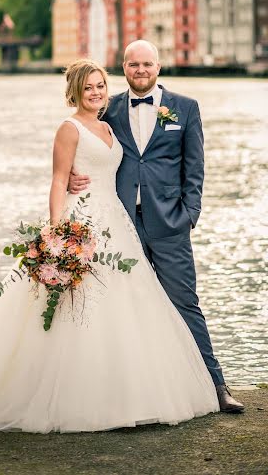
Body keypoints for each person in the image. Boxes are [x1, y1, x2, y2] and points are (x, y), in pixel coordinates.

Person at [0, 58, 220, 433]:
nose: (95, 92)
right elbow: (59, 181)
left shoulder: (110, 124)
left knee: (133, 304)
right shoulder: (69, 128)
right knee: (73, 311)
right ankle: (70, 398)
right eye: (88, 87)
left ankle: (132, 391)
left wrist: (188, 212)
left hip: (119, 225)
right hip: (83, 220)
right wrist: (59, 234)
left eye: (99, 86)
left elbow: (137, 166)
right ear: (74, 91)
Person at [69, 40, 244, 413]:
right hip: (120, 225)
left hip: (169, 225)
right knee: (120, 306)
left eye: (147, 64)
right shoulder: (108, 108)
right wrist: (72, 177)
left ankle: (216, 386)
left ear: (158, 67)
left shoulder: (185, 108)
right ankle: (119, 391)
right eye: (133, 65)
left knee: (185, 303)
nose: (140, 71)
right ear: (124, 67)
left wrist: (189, 214)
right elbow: (82, 143)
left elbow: (194, 167)